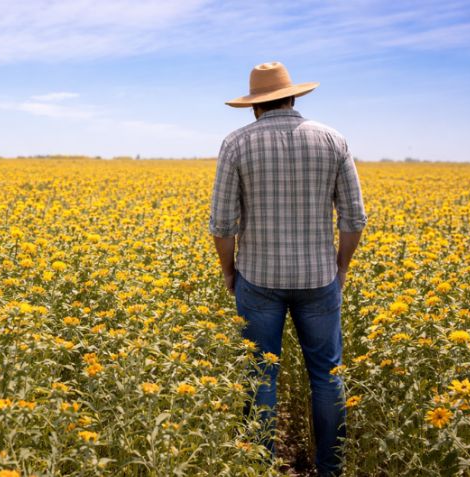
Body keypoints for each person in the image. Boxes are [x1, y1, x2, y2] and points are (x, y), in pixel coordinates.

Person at [209, 61, 367, 476]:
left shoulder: (236, 144)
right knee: (327, 376)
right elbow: (354, 218)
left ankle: (258, 467)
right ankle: (329, 469)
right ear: (293, 96)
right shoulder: (332, 139)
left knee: (261, 375)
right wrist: (341, 267)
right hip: (319, 279)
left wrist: (229, 272)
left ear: (254, 107)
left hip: (258, 280)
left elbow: (223, 223)